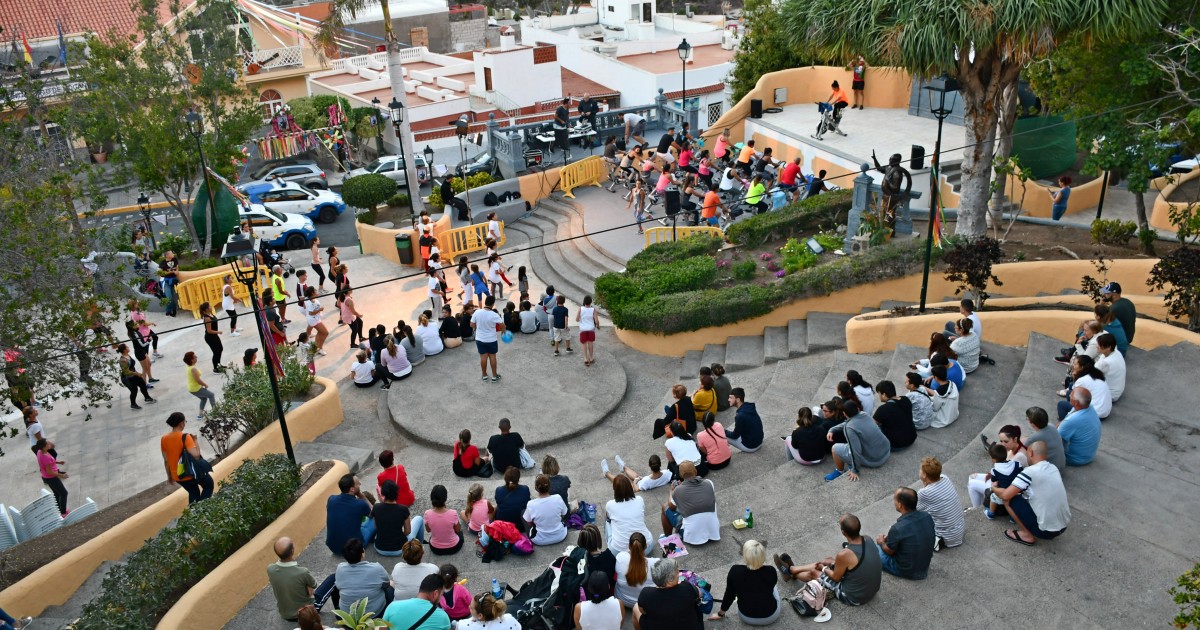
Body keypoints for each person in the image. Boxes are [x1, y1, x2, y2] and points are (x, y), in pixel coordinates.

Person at [774, 513, 881, 607]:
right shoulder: (867, 539)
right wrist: (829, 564)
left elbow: (836, 578)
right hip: (870, 589)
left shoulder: (844, 555)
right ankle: (791, 569)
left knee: (814, 572)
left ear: (843, 533)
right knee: (829, 561)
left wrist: (824, 568)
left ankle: (789, 572)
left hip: (854, 597)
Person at [993, 442, 1071, 545]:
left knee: (1009, 499)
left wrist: (993, 488)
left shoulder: (1029, 472)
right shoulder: (1053, 468)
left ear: (1031, 453)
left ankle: (1027, 535)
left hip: (1046, 532)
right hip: (1064, 525)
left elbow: (1005, 495)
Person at [710, 539, 780, 624]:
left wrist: (720, 614)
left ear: (745, 556)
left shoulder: (735, 571)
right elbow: (772, 585)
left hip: (746, 617)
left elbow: (729, 595)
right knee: (774, 588)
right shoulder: (771, 571)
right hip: (771, 616)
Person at [875, 487, 935, 579]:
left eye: (894, 499)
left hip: (906, 570)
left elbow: (890, 551)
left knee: (874, 549)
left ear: (900, 505)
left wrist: (881, 542)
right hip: (924, 566)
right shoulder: (927, 516)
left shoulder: (898, 528)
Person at [825, 401, 891, 481]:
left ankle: (839, 471)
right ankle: (849, 462)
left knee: (835, 448)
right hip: (886, 451)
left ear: (844, 414)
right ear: (858, 409)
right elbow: (848, 423)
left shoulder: (849, 428)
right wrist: (832, 429)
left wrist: (854, 470)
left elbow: (855, 451)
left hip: (875, 460)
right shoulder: (864, 414)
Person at [659, 461, 719, 545]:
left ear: (681, 475)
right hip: (713, 532)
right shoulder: (709, 483)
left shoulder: (678, 490)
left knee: (665, 507)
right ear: (696, 471)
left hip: (692, 537)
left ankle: (668, 538)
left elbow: (671, 506)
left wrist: (671, 492)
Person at [634, 558, 704, 630]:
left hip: (657, 625)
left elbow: (643, 611)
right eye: (677, 572)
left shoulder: (646, 593)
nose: (679, 574)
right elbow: (699, 593)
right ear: (670, 581)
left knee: (636, 607)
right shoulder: (686, 588)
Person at [160, 412, 213, 504]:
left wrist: (169, 476)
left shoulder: (164, 438)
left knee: (193, 492)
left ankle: (194, 514)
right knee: (208, 485)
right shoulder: (185, 437)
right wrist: (195, 441)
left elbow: (166, 460)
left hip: (178, 475)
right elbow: (196, 455)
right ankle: (202, 510)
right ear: (181, 424)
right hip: (191, 473)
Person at [916, 457, 965, 551]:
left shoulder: (924, 493)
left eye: (920, 470)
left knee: (916, 517)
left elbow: (914, 510)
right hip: (959, 530)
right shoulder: (945, 478)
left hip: (946, 538)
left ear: (925, 475)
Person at [335, 538, 391, 616]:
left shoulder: (340, 568)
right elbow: (386, 584)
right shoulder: (377, 568)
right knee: (390, 588)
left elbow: (338, 586)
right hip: (374, 615)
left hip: (347, 618)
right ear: (362, 554)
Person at [267, 537, 316, 622]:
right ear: (292, 551)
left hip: (284, 614)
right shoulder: (302, 572)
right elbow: (314, 585)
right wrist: (308, 585)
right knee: (331, 581)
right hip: (305, 614)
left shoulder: (270, 569)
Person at [967, 443, 1022, 517]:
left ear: (993, 459)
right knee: (972, 477)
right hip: (1014, 488)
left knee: (971, 483)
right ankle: (978, 504)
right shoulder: (1017, 464)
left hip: (1002, 491)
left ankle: (976, 507)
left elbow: (993, 480)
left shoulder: (995, 470)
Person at [602, 474, 652, 554]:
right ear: (630, 487)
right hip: (645, 548)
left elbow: (609, 517)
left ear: (615, 490)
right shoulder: (639, 500)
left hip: (618, 551)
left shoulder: (610, 505)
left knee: (607, 521)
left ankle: (610, 543)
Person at [373, 480, 425, 556]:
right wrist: (399, 535)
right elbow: (408, 531)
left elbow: (376, 527)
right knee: (419, 519)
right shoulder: (403, 509)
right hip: (400, 549)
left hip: (380, 548)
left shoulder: (376, 507)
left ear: (383, 494)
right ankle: (419, 546)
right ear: (396, 493)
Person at [382, 573, 451, 630]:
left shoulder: (393, 606)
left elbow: (382, 628)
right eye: (441, 594)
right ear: (435, 594)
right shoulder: (443, 617)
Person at [326, 474, 374, 554]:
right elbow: (374, 512)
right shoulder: (360, 504)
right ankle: (370, 540)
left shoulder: (331, 499)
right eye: (358, 484)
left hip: (333, 548)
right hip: (353, 550)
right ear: (352, 489)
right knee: (375, 519)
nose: (360, 485)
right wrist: (362, 496)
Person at [1058, 355, 1111, 420]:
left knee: (1061, 405)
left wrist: (1074, 377)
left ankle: (1066, 420)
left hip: (1096, 414)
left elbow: (1074, 395)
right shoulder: (1097, 374)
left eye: (1075, 364)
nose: (1073, 365)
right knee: (1070, 391)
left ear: (1082, 367)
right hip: (1104, 412)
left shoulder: (1082, 380)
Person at [1059, 388, 1101, 465]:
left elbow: (1055, 437)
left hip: (1074, 459)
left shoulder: (1071, 421)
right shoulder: (1089, 407)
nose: (1069, 395)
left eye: (1071, 394)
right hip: (1090, 455)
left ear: (1076, 402)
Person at [615, 532, 657, 607]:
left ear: (628, 546)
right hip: (644, 604)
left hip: (623, 601)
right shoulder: (655, 563)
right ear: (646, 546)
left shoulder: (620, 557)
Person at [523, 474, 568, 545]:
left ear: (536, 488)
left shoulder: (531, 504)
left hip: (539, 540)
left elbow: (529, 522)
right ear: (550, 486)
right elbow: (564, 514)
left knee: (523, 514)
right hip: (560, 535)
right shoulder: (558, 498)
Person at [873, 381, 915, 450]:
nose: (879, 396)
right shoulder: (906, 399)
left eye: (879, 394)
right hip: (912, 437)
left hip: (896, 445)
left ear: (883, 394)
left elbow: (872, 425)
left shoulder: (883, 409)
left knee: (876, 427)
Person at [472, 296, 505, 382]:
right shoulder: (494, 315)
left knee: (483, 357)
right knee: (492, 357)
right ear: (493, 304)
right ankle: (494, 376)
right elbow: (503, 326)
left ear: (485, 302)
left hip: (479, 338)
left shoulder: (477, 312)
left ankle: (484, 375)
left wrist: (478, 327)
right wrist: (503, 331)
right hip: (491, 339)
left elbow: (471, 325)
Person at [425, 485, 465, 555]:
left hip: (435, 548)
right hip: (453, 547)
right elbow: (458, 530)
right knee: (460, 533)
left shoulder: (427, 514)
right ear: (445, 498)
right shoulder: (453, 513)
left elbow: (428, 530)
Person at [602, 453, 673, 492]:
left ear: (649, 465)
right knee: (636, 476)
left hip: (636, 486)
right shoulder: (667, 473)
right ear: (660, 464)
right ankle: (623, 467)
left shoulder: (646, 482)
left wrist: (634, 482)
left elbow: (637, 489)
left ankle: (607, 473)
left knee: (621, 481)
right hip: (643, 480)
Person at [1024, 406, 1066, 471]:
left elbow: (1023, 449)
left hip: (1051, 471)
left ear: (1032, 423)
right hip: (1061, 466)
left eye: (1027, 418)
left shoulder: (1034, 437)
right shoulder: (1051, 426)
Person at [577, 523, 618, 590]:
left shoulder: (578, 559)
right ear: (598, 539)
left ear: (581, 540)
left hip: (586, 594)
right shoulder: (609, 557)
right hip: (606, 592)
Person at [35, 438, 68, 515]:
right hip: (51, 478)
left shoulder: (40, 452)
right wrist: (61, 475)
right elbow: (49, 471)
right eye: (47, 444)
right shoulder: (46, 457)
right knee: (64, 493)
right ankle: (63, 512)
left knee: (57, 494)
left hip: (45, 477)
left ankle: (58, 510)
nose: (49, 444)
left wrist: (58, 462)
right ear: (44, 447)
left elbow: (49, 462)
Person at [118, 343, 156, 410]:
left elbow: (131, 367)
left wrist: (136, 373)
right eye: (127, 347)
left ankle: (147, 397)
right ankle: (133, 404)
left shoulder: (127, 355)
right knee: (134, 390)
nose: (128, 347)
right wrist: (137, 373)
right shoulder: (123, 360)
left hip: (134, 374)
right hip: (127, 378)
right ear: (124, 350)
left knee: (142, 384)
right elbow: (126, 372)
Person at [494, 466, 531, 533]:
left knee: (496, 507)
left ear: (505, 478)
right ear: (518, 478)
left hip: (504, 526)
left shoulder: (499, 490)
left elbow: (498, 503)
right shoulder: (525, 489)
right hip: (521, 526)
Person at [726, 388, 763, 453]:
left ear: (737, 400)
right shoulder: (749, 407)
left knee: (720, 434)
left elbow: (735, 436)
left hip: (751, 446)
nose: (728, 400)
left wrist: (724, 431)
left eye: (731, 398)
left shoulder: (740, 416)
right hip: (759, 442)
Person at [1094, 333, 1125, 402]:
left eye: (1100, 345)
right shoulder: (1116, 352)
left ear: (1108, 348)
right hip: (1117, 391)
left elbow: (1090, 375)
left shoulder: (1105, 363)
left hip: (1110, 395)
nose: (1097, 346)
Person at [578, 295, 598, 366]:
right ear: (591, 302)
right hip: (591, 329)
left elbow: (577, 319)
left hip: (583, 329)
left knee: (584, 343)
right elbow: (596, 320)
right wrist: (598, 326)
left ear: (584, 301)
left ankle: (585, 359)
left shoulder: (580, 309)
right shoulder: (593, 310)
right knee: (590, 343)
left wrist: (581, 319)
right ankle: (591, 358)